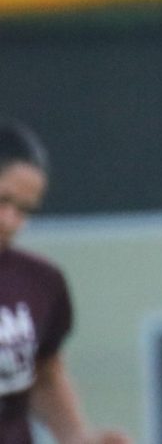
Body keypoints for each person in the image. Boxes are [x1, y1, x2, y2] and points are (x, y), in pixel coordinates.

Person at [0, 119, 132, 444]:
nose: (10, 220)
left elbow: (44, 374)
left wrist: (77, 438)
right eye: (3, 200)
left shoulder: (39, 282)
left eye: (24, 209)